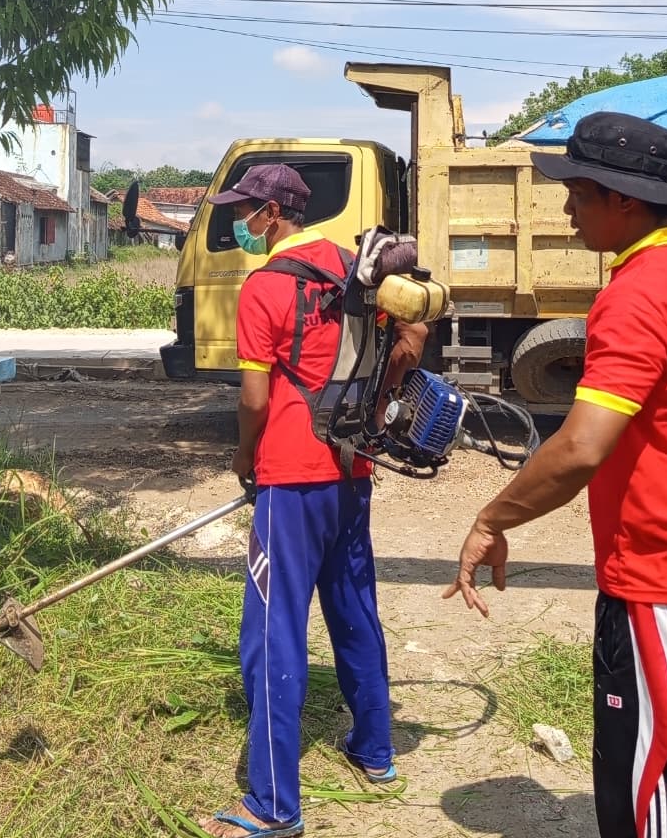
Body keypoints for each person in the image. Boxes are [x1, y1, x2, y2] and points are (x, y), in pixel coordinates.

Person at [444, 112, 667, 838]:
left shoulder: (638, 295)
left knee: (661, 805)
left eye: (578, 193)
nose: (568, 211)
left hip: (665, 586)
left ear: (623, 199)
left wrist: (491, 519)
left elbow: (580, 448)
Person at [200, 163, 426, 838]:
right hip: (351, 467)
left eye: (244, 209)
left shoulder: (265, 286)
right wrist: (380, 404)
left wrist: (244, 458)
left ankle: (273, 805)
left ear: (272, 214)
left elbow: (254, 400)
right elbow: (410, 339)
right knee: (354, 609)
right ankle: (375, 751)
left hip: (290, 478)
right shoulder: (356, 271)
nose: (238, 220)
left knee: (273, 632)